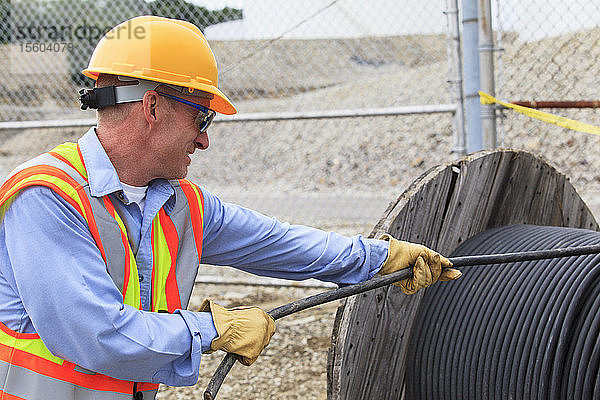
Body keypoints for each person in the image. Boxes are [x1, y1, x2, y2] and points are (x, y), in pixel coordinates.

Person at [0, 16, 461, 400]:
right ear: (153, 107)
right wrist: (209, 329)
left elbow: (277, 242)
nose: (204, 138)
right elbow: (96, 335)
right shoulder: (45, 197)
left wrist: (381, 258)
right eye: (201, 117)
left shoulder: (179, 204)